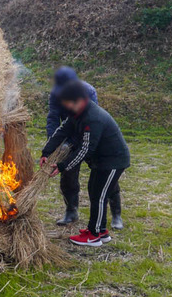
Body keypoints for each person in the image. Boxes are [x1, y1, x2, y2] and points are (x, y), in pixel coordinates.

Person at [40, 81, 130, 247]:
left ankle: (94, 236)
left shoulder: (92, 119)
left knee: (100, 196)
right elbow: (62, 131)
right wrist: (46, 152)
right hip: (101, 161)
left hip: (113, 160)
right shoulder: (77, 113)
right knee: (94, 192)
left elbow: (84, 150)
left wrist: (61, 166)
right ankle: (101, 231)